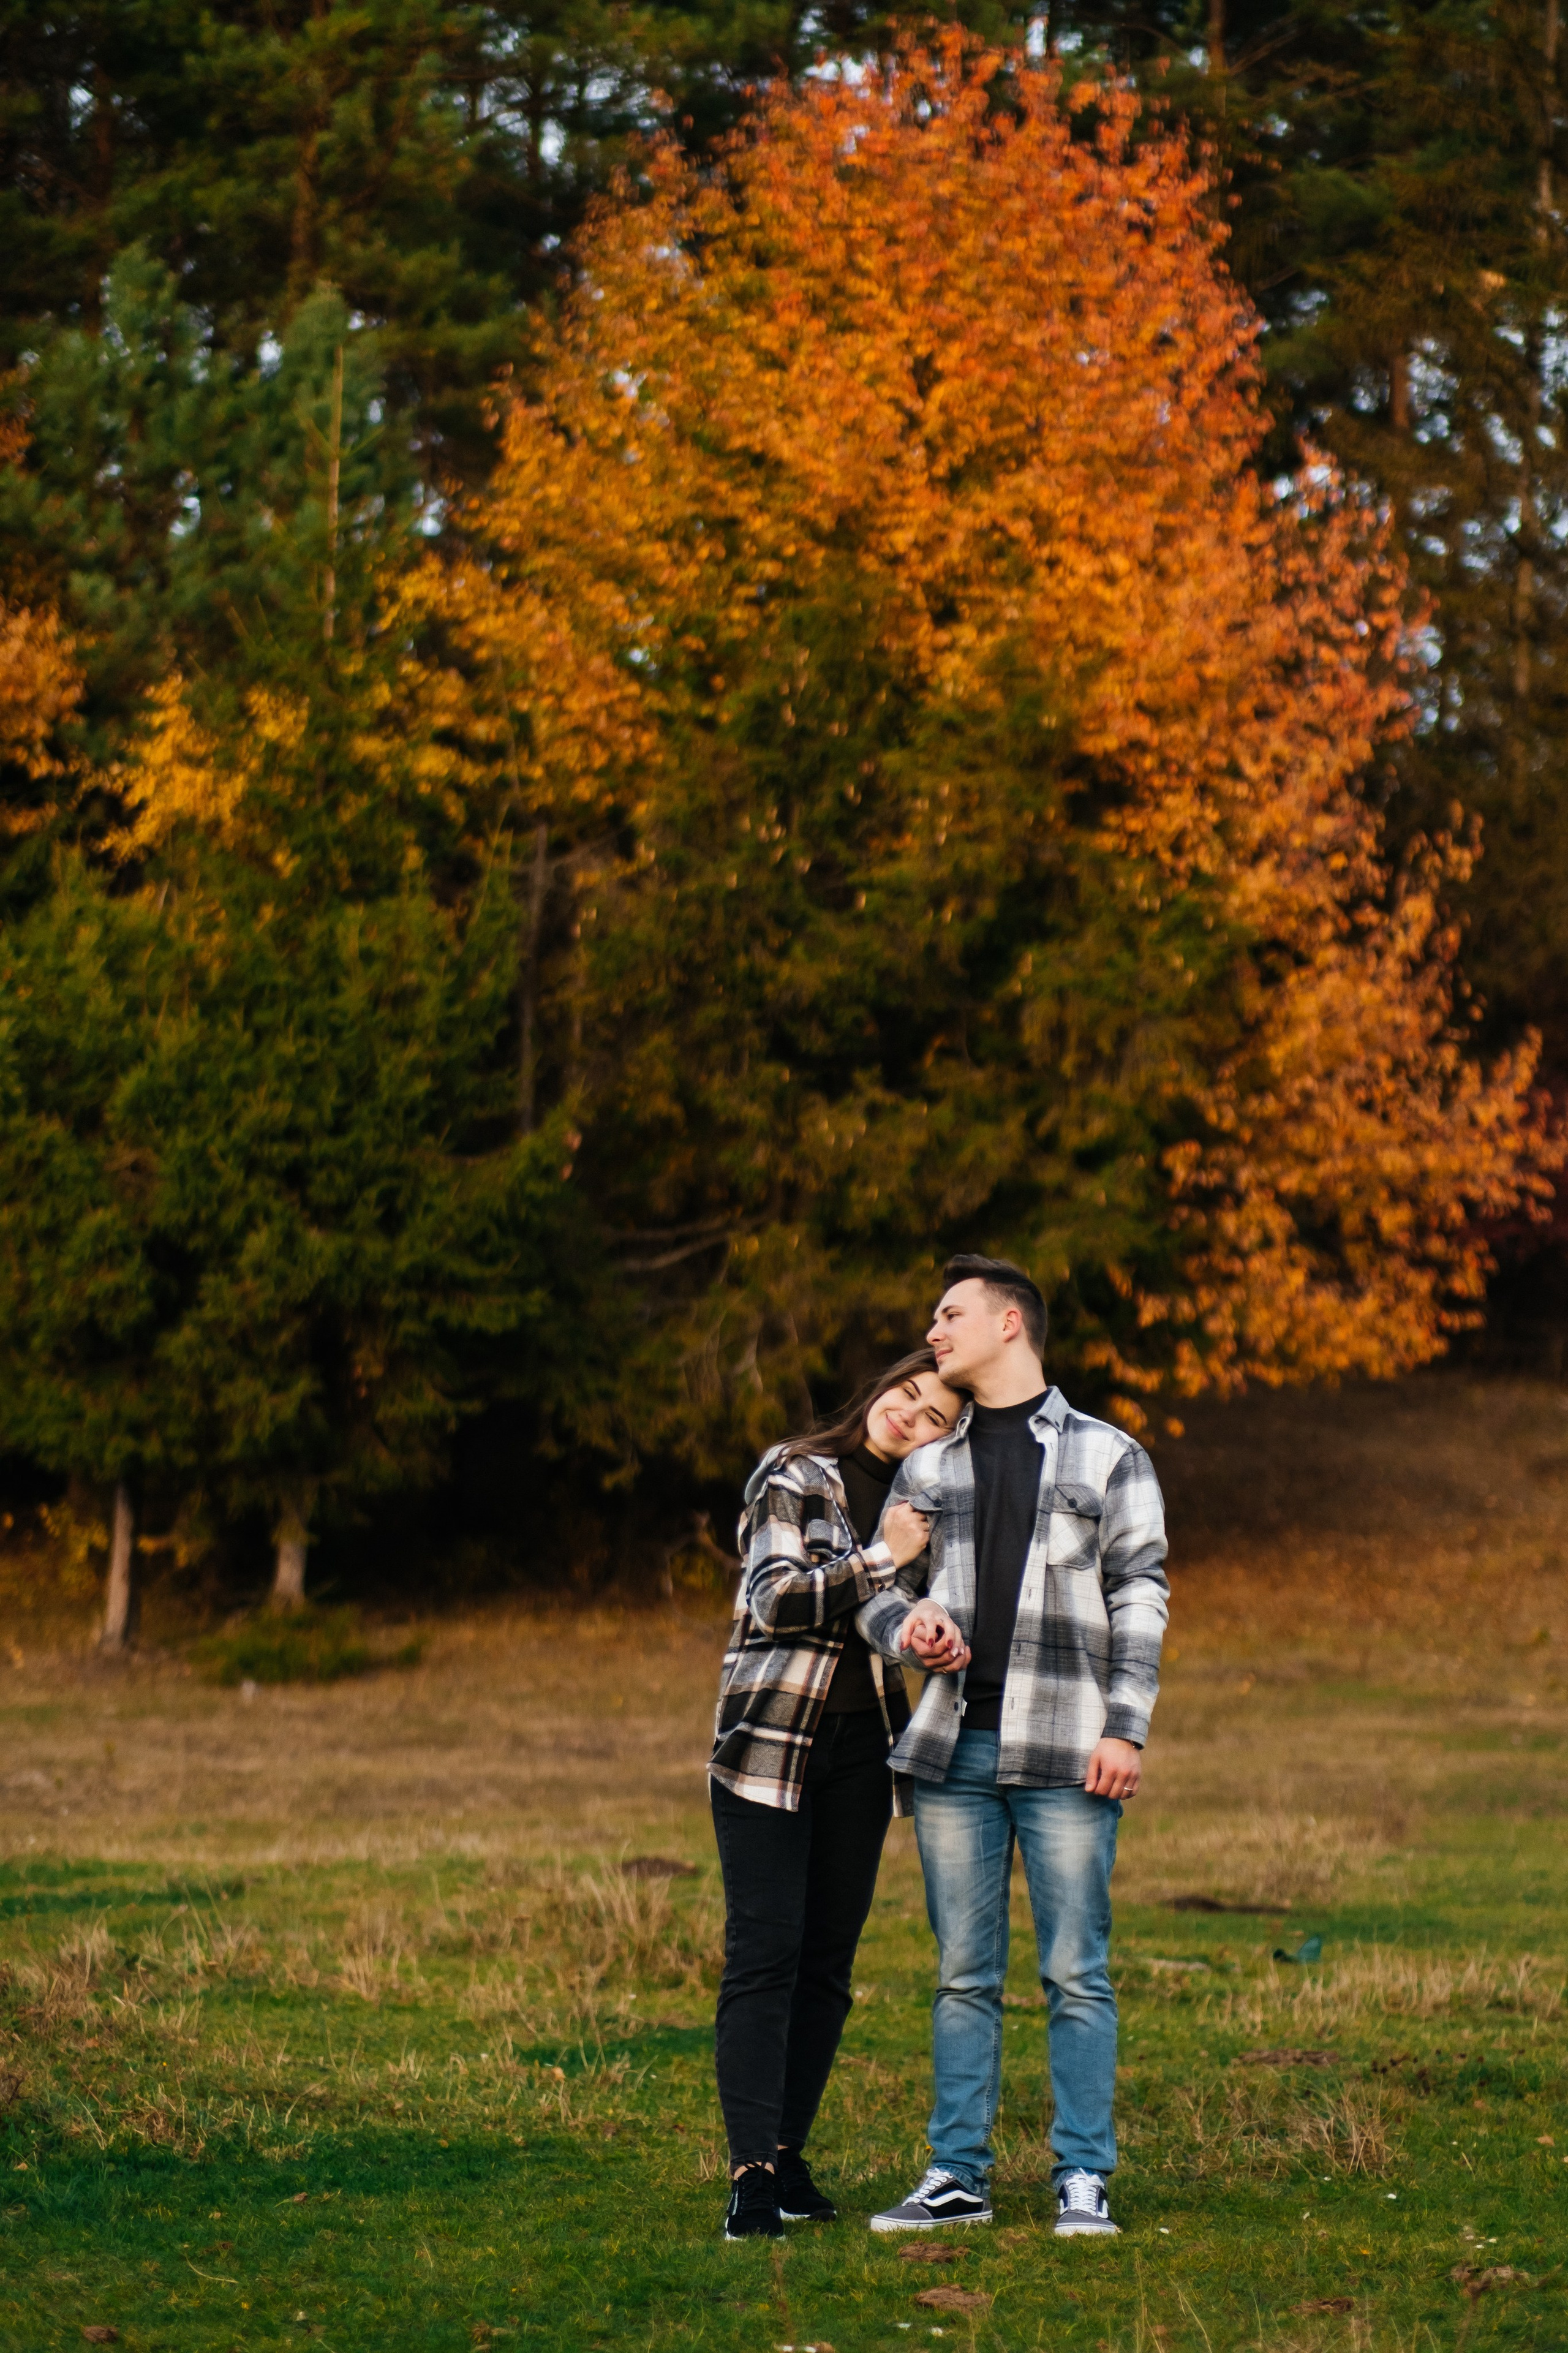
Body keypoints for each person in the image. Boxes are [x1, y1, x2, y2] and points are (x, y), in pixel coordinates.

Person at [856, 1255, 1169, 2240]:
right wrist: (909, 1630)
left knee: (1076, 1969)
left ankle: (1084, 2175)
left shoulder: (1109, 1454)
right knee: (963, 1973)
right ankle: (958, 2175)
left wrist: (1127, 1727)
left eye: (949, 1315)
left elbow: (1141, 1590)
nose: (933, 1331)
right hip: (953, 1750)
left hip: (1071, 1751)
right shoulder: (926, 1467)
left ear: (1008, 1324)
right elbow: (879, 1590)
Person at [709, 1347, 968, 2242]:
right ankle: (747, 2173)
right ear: (879, 1387)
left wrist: (929, 1623)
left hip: (864, 1750)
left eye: (936, 1416)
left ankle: (786, 2152)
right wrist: (883, 1555)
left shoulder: (921, 1506)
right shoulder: (796, 1471)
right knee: (765, 1952)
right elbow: (775, 1599)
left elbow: (912, 1612)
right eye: (907, 1393)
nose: (911, 1416)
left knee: (826, 1963)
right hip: (770, 1744)